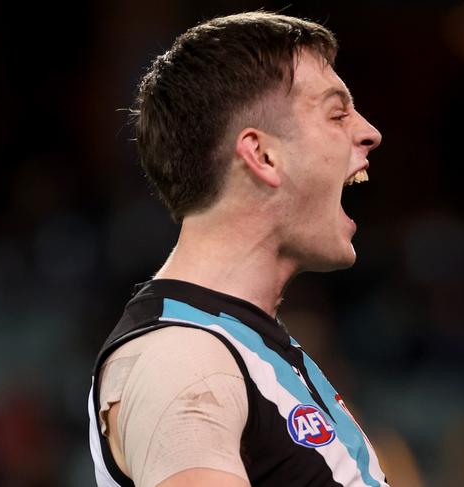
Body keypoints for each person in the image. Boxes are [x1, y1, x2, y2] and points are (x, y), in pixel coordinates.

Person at [88, 11, 387, 487]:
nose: (369, 131)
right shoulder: (183, 361)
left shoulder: (239, 346)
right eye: (337, 112)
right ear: (262, 155)